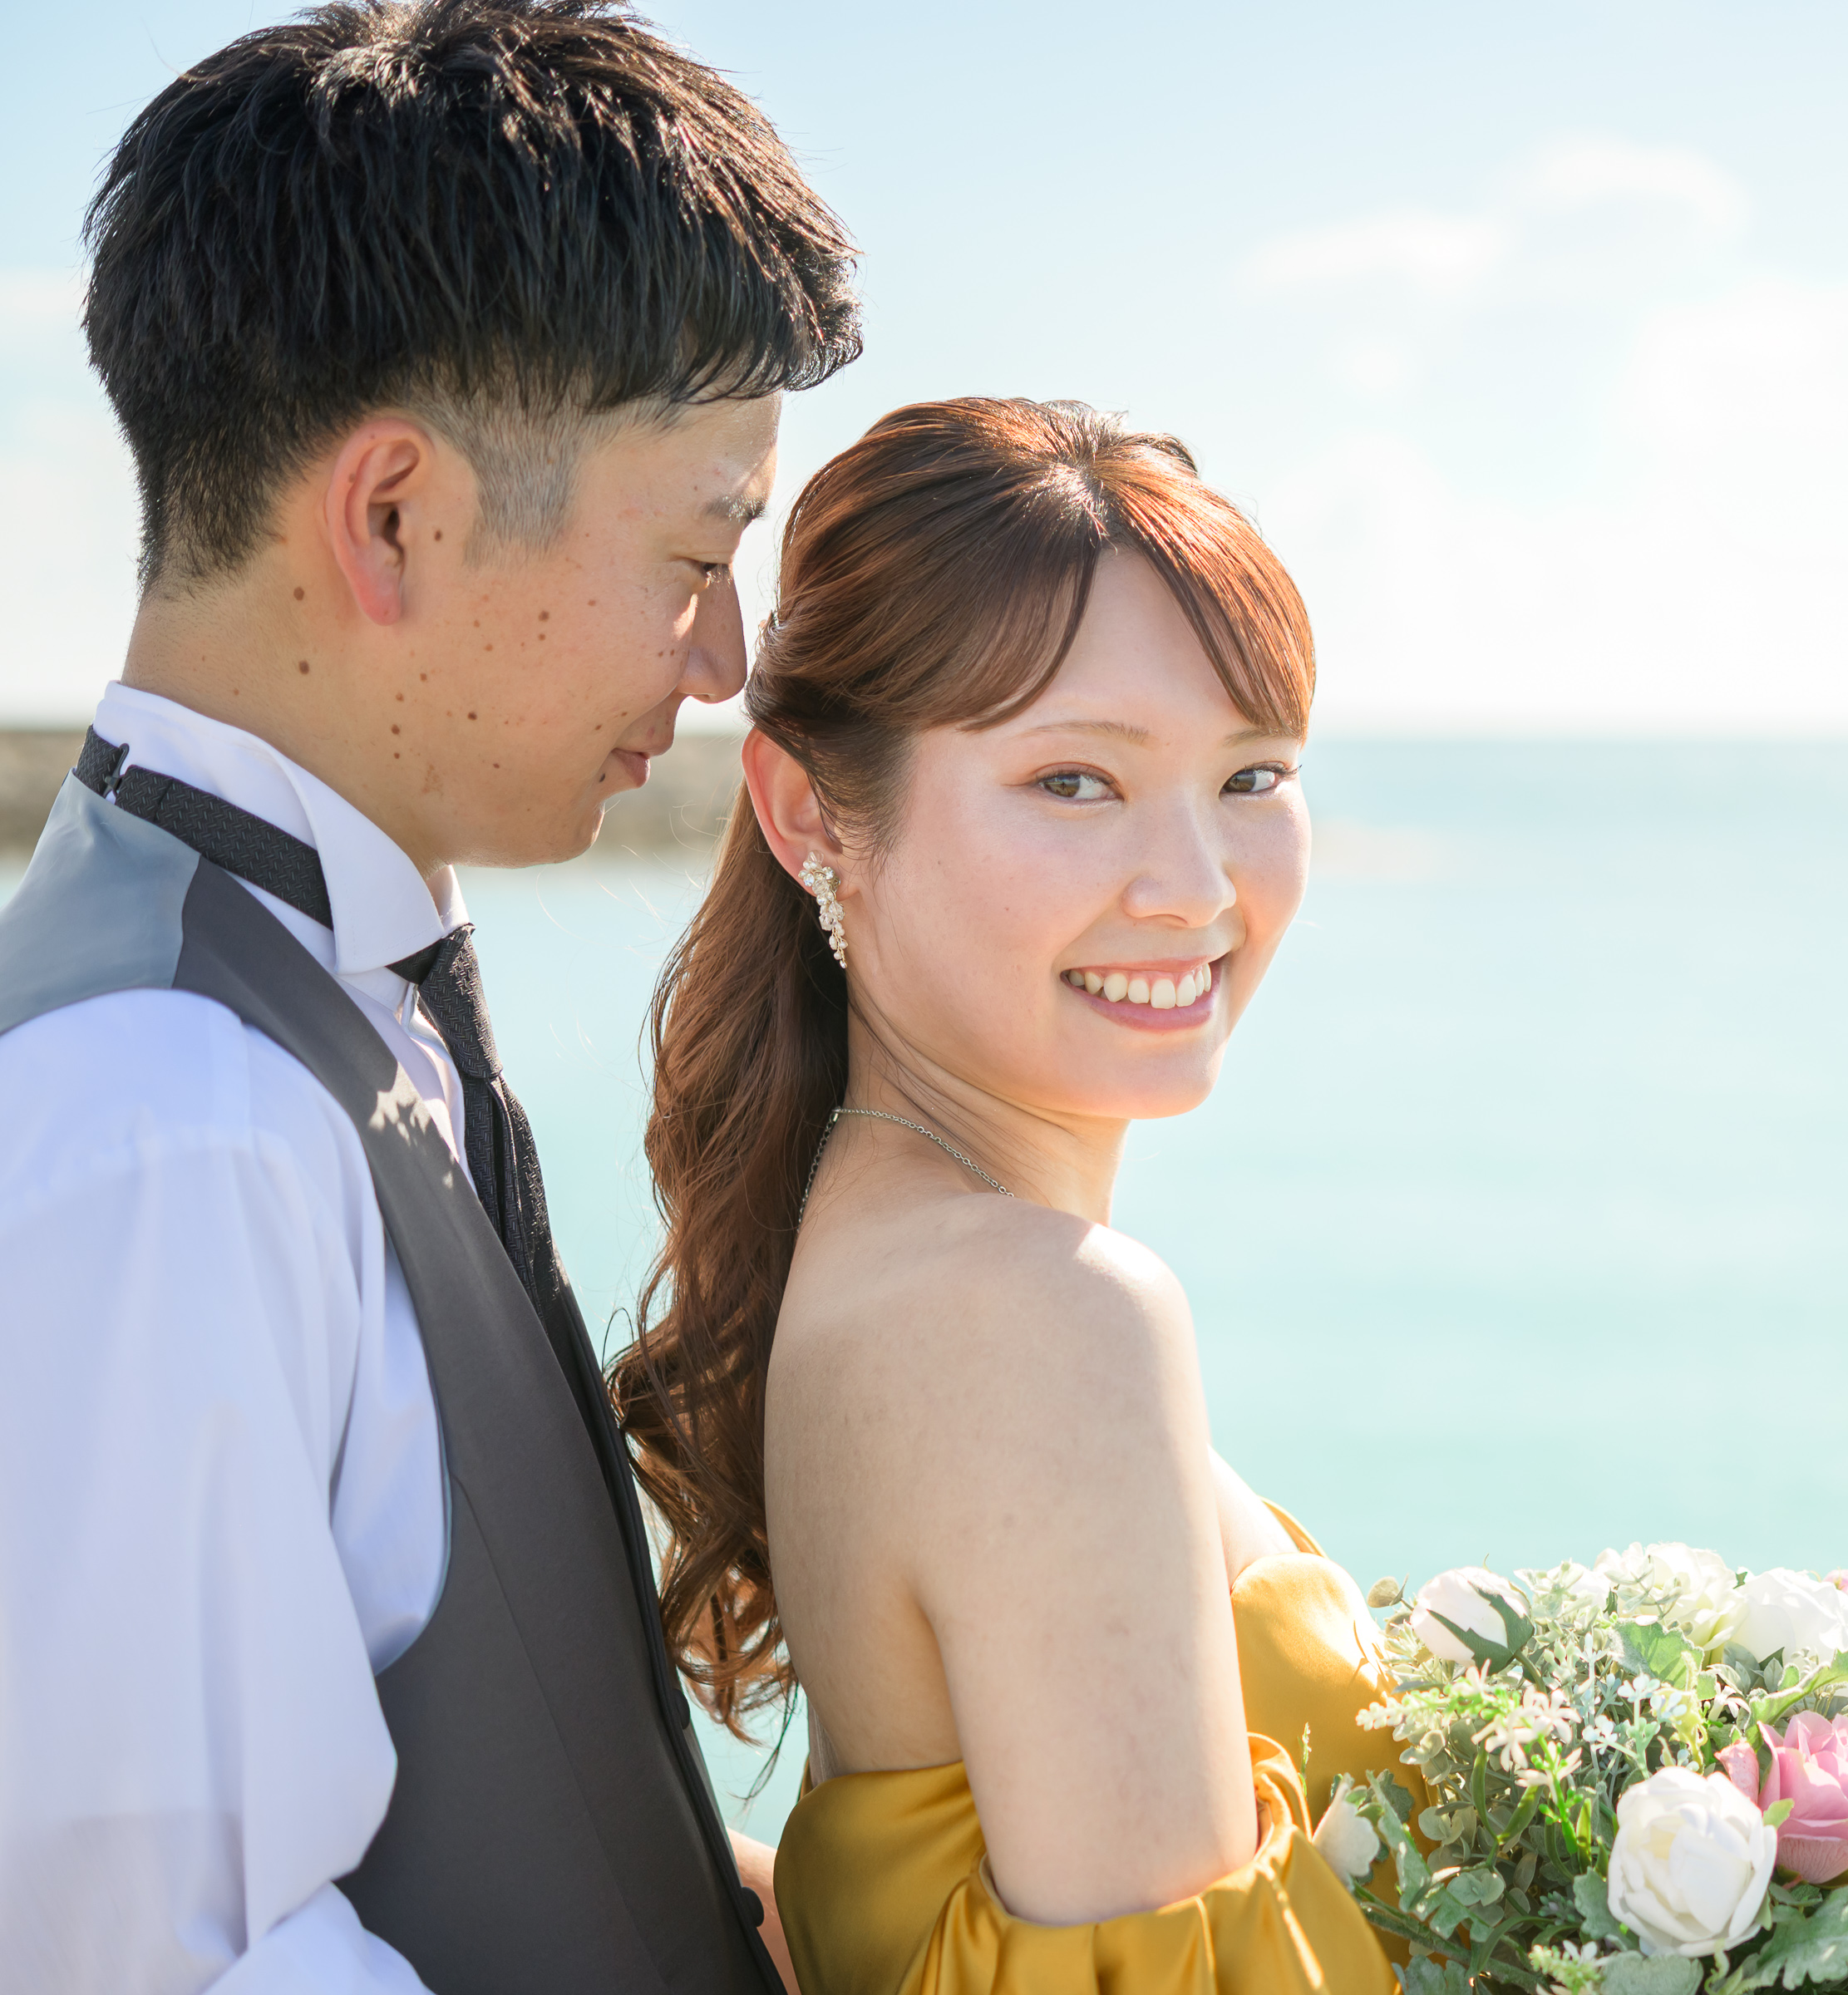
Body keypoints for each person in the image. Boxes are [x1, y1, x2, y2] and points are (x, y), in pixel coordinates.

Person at [0, 4, 857, 1991]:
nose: (727, 660)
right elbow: (170, 1962)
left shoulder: (295, 984)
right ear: (395, 518)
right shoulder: (169, 1114)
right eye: (698, 548)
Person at [610, 397, 1398, 1995]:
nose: (1194, 884)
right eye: (1074, 783)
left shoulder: (875, 1242)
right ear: (809, 813)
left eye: (1254, 774)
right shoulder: (1041, 1314)